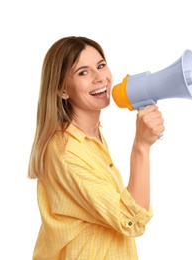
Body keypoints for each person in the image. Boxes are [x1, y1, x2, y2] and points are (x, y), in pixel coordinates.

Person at [28, 36, 165, 260]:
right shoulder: (67, 153)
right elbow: (129, 220)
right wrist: (141, 146)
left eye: (101, 66)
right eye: (83, 72)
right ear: (62, 90)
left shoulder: (91, 136)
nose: (100, 77)